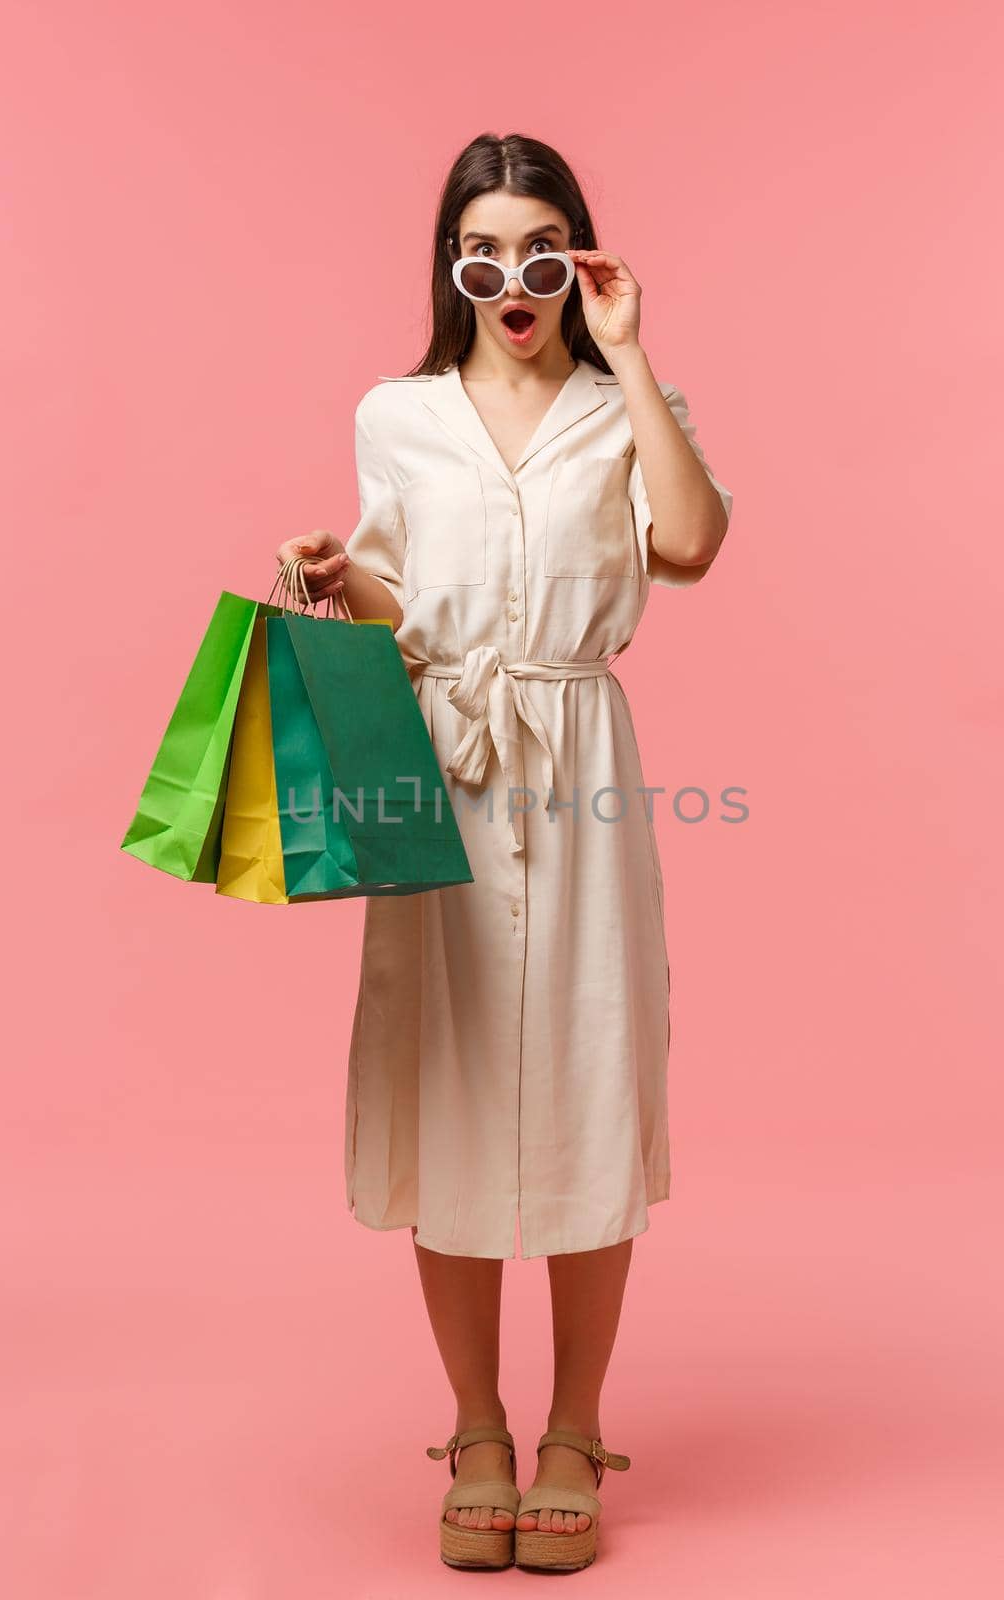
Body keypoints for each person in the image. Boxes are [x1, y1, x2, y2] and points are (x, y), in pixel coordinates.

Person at [275, 131, 733, 1574]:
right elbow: (406, 584)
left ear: (577, 261)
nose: (513, 275)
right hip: (439, 761)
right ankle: (476, 1422)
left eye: (543, 247)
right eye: (486, 249)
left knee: (593, 1072)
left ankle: (577, 1426)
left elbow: (696, 542)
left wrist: (634, 349)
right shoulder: (396, 413)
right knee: (452, 1077)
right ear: (453, 267)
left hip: (577, 754)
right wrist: (341, 578)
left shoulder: (622, 407)